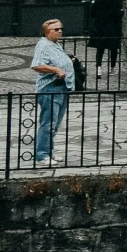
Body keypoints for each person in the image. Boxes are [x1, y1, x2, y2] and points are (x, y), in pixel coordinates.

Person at [30, 18, 74, 165]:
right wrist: (56, 69)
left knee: (55, 122)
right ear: (46, 32)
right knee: (48, 122)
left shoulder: (54, 45)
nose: (59, 31)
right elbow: (37, 65)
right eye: (56, 29)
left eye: (60, 28)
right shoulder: (43, 45)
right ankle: (42, 155)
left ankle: (49, 151)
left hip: (62, 87)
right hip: (50, 87)